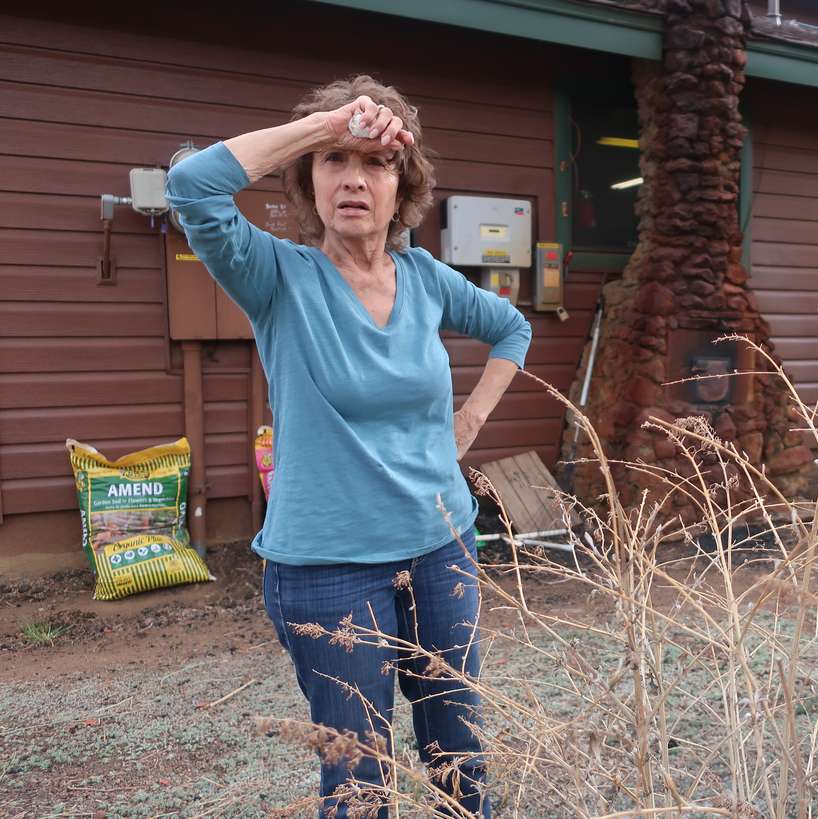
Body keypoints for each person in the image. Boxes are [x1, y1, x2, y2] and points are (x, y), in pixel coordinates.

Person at [167, 74, 530, 818]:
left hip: (443, 549)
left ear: (404, 188)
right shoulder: (277, 277)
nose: (355, 178)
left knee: (460, 755)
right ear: (308, 181)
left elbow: (512, 329)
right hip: (330, 571)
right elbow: (192, 186)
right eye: (336, 161)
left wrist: (469, 423)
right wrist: (327, 125)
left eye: (377, 164)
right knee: (361, 781)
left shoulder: (426, 278)